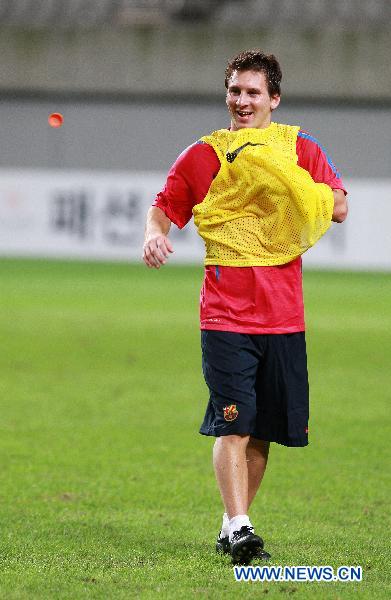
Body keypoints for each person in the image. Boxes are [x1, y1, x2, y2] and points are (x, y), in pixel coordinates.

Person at [142, 49, 348, 565]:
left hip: (284, 316)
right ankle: (241, 525)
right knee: (233, 423)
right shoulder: (206, 155)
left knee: (263, 433)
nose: (242, 100)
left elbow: (339, 205)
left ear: (274, 99)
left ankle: (231, 523)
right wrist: (153, 236)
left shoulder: (298, 148)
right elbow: (164, 207)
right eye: (235, 91)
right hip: (226, 315)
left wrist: (287, 182)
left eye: (253, 92)